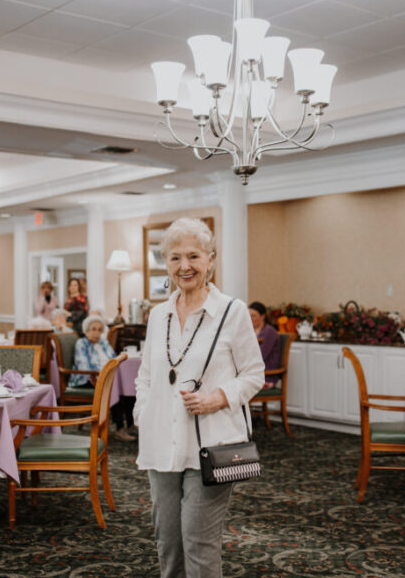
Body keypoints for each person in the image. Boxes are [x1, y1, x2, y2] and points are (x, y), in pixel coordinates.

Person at [134, 217, 264, 578]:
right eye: (175, 258)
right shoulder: (158, 315)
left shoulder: (232, 312)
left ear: (211, 260)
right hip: (161, 444)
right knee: (169, 542)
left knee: (197, 542)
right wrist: (142, 413)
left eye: (193, 256)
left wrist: (218, 398)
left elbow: (255, 375)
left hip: (211, 443)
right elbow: (146, 375)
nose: (184, 266)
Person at [72, 314, 115, 388]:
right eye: (94, 329)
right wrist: (102, 375)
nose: (97, 333)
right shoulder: (82, 343)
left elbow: (114, 359)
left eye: (100, 330)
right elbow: (83, 367)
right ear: (86, 331)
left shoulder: (103, 342)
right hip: (88, 380)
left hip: (107, 376)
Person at [248, 301, 281, 387]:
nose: (250, 318)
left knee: (233, 389)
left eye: (253, 316)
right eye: (248, 315)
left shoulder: (269, 332)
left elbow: (260, 356)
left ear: (262, 317)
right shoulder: (252, 332)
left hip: (266, 376)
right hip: (253, 373)